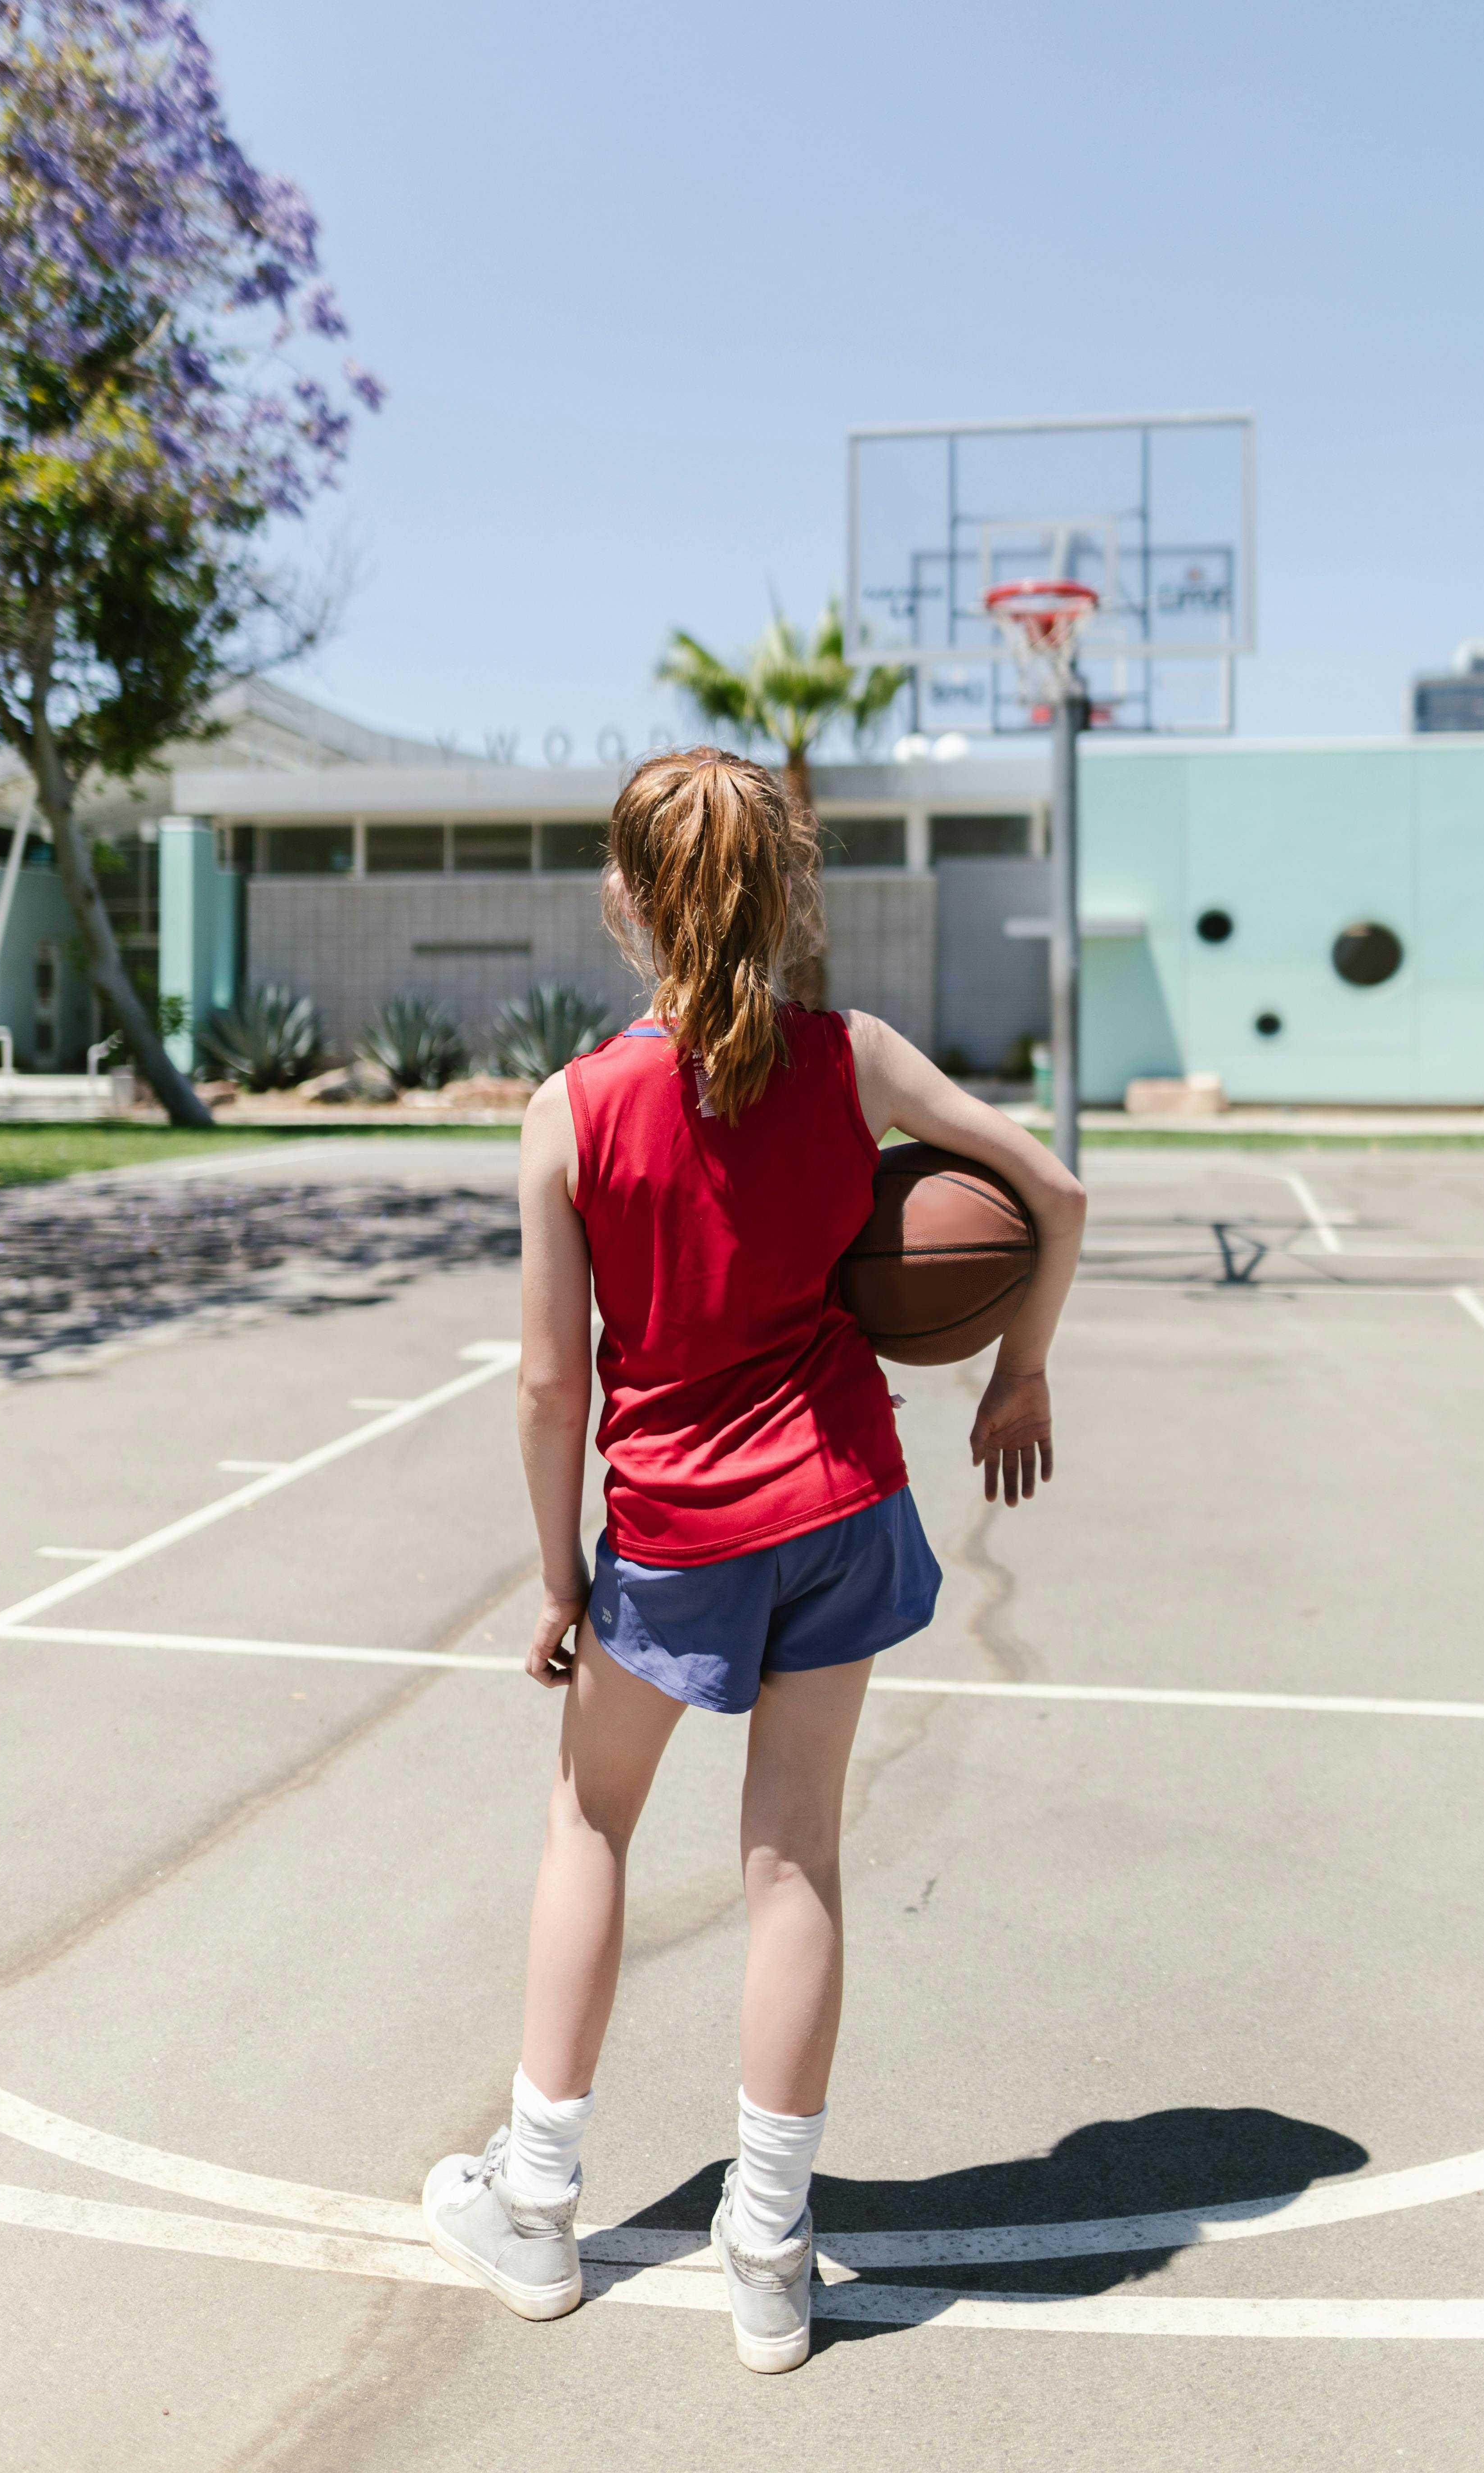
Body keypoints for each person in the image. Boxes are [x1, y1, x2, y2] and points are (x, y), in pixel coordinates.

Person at [422, 747, 1085, 2372]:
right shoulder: (851, 1058)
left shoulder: (569, 1108)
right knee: (794, 1862)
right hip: (842, 1503)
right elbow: (1052, 1192)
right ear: (790, 890)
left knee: (591, 1823)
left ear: (625, 898)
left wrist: (561, 1577)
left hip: (677, 1528)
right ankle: (773, 2255)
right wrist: (1018, 1369)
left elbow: (546, 1383)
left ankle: (537, 2208)